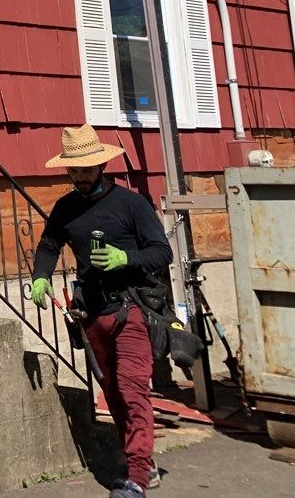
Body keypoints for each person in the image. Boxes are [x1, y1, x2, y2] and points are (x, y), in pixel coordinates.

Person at [29, 124, 173, 497]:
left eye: (86, 169)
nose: (79, 176)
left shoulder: (131, 204)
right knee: (112, 393)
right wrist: (40, 277)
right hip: (92, 315)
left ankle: (137, 479)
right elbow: (48, 245)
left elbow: (162, 252)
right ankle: (145, 461)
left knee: (132, 390)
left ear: (100, 165)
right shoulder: (66, 208)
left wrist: (126, 258)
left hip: (131, 311)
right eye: (73, 170)